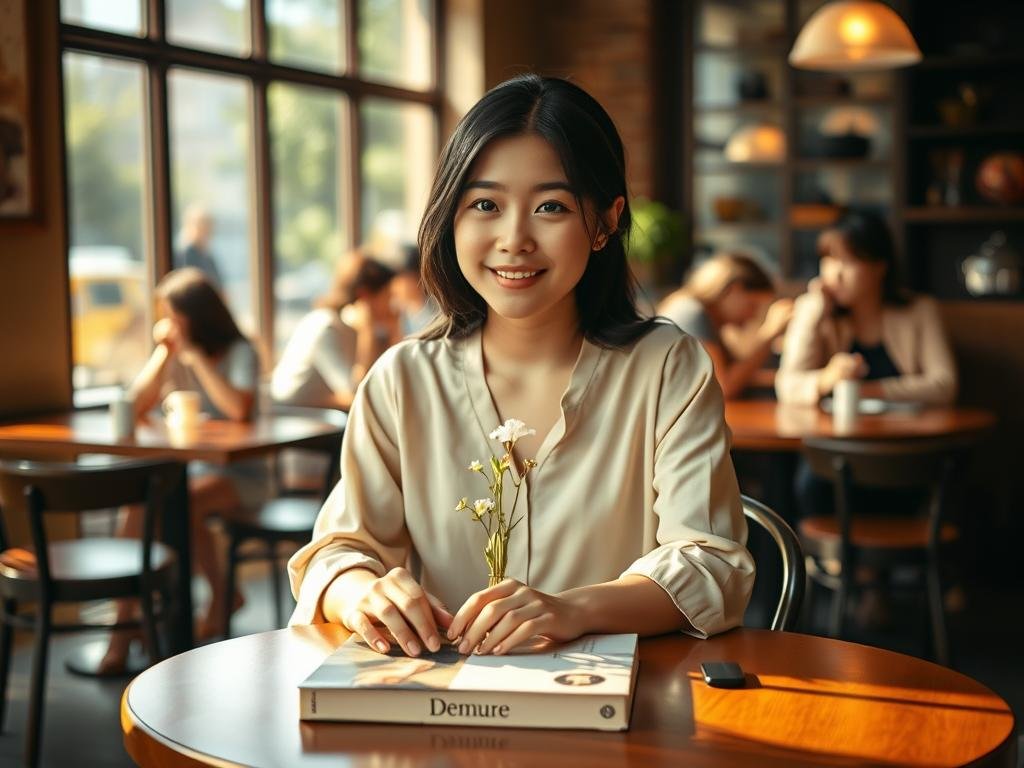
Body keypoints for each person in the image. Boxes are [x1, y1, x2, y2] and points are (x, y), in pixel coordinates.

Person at [287, 74, 754, 660]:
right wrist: (362, 592)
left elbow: (710, 561)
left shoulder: (667, 369)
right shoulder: (401, 380)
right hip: (442, 706)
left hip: (622, 702)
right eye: (485, 204)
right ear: (451, 217)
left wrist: (573, 610)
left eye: (550, 207)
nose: (514, 239)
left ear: (606, 221)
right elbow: (337, 552)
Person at [101, 268, 264, 671]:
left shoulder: (240, 351)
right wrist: (164, 354)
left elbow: (238, 409)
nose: (168, 323)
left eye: (173, 315)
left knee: (178, 505)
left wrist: (196, 359)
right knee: (140, 507)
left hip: (244, 474)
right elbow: (134, 407)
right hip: (194, 471)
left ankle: (146, 623)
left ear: (197, 315)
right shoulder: (173, 354)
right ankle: (129, 623)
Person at [776, 210, 957, 405]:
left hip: (904, 424)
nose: (835, 274)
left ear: (880, 266)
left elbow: (944, 385)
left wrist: (865, 391)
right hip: (835, 425)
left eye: (848, 261)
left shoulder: (920, 310)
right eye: (828, 260)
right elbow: (787, 387)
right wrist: (826, 378)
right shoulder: (815, 309)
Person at [271, 251, 398, 411]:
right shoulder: (325, 327)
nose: (393, 303)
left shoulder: (364, 329)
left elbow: (391, 378)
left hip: (325, 412)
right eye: (388, 295)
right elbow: (355, 391)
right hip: (294, 415)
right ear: (364, 295)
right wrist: (367, 334)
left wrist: (394, 329)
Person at [657, 252, 793, 400]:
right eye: (752, 305)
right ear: (734, 290)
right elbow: (722, 387)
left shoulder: (698, 313)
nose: (752, 316)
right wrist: (770, 333)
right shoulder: (691, 312)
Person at [390, 244, 440, 336]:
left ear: (420, 277)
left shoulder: (437, 313)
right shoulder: (399, 312)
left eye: (401, 277)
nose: (395, 284)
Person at [176, 204, 223, 289]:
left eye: (209, 227)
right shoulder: (186, 255)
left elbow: (218, 286)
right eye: (203, 227)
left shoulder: (207, 257)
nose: (207, 232)